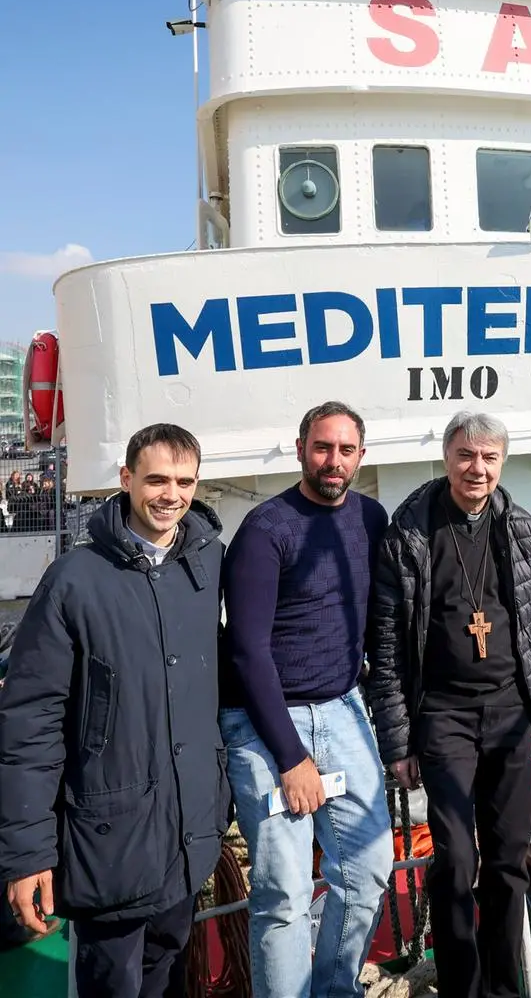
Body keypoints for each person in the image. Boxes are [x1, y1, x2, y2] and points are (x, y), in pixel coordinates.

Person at [0, 423, 230, 998]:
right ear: (126, 479)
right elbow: (30, 725)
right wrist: (27, 854)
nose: (170, 495)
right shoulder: (73, 583)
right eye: (155, 479)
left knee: (171, 973)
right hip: (109, 844)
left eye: (183, 481)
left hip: (185, 839)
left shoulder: (205, 568)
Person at [367, 411, 531, 998]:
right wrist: (397, 742)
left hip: (511, 713)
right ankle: (461, 988)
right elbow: (386, 643)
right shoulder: (410, 532)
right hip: (443, 716)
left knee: (508, 861)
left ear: (501, 463)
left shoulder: (520, 527)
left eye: (489, 458)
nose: (477, 468)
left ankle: (505, 988)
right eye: (466, 455)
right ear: (447, 457)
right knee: (455, 861)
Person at [219, 401, 393, 998]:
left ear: (361, 457)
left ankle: (334, 990)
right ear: (300, 450)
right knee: (284, 894)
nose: (334, 461)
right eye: (323, 448)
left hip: (344, 710)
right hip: (267, 723)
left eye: (346, 450)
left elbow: (376, 625)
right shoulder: (266, 531)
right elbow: (246, 650)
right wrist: (292, 758)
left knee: (368, 870)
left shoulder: (370, 518)